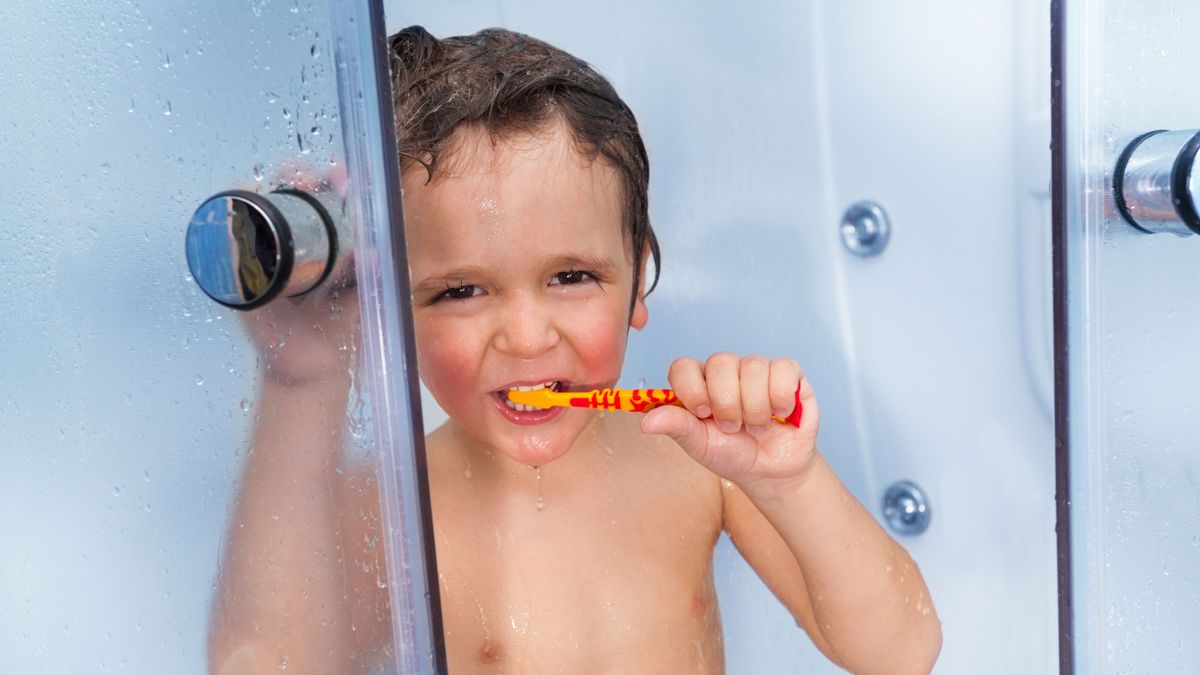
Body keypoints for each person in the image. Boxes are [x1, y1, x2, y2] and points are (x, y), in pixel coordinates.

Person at [209, 25, 942, 675]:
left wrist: (790, 478)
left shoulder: (698, 461)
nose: (527, 337)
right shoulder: (395, 504)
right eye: (460, 290)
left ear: (637, 283)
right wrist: (300, 386)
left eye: (572, 276)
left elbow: (900, 652)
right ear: (393, 310)